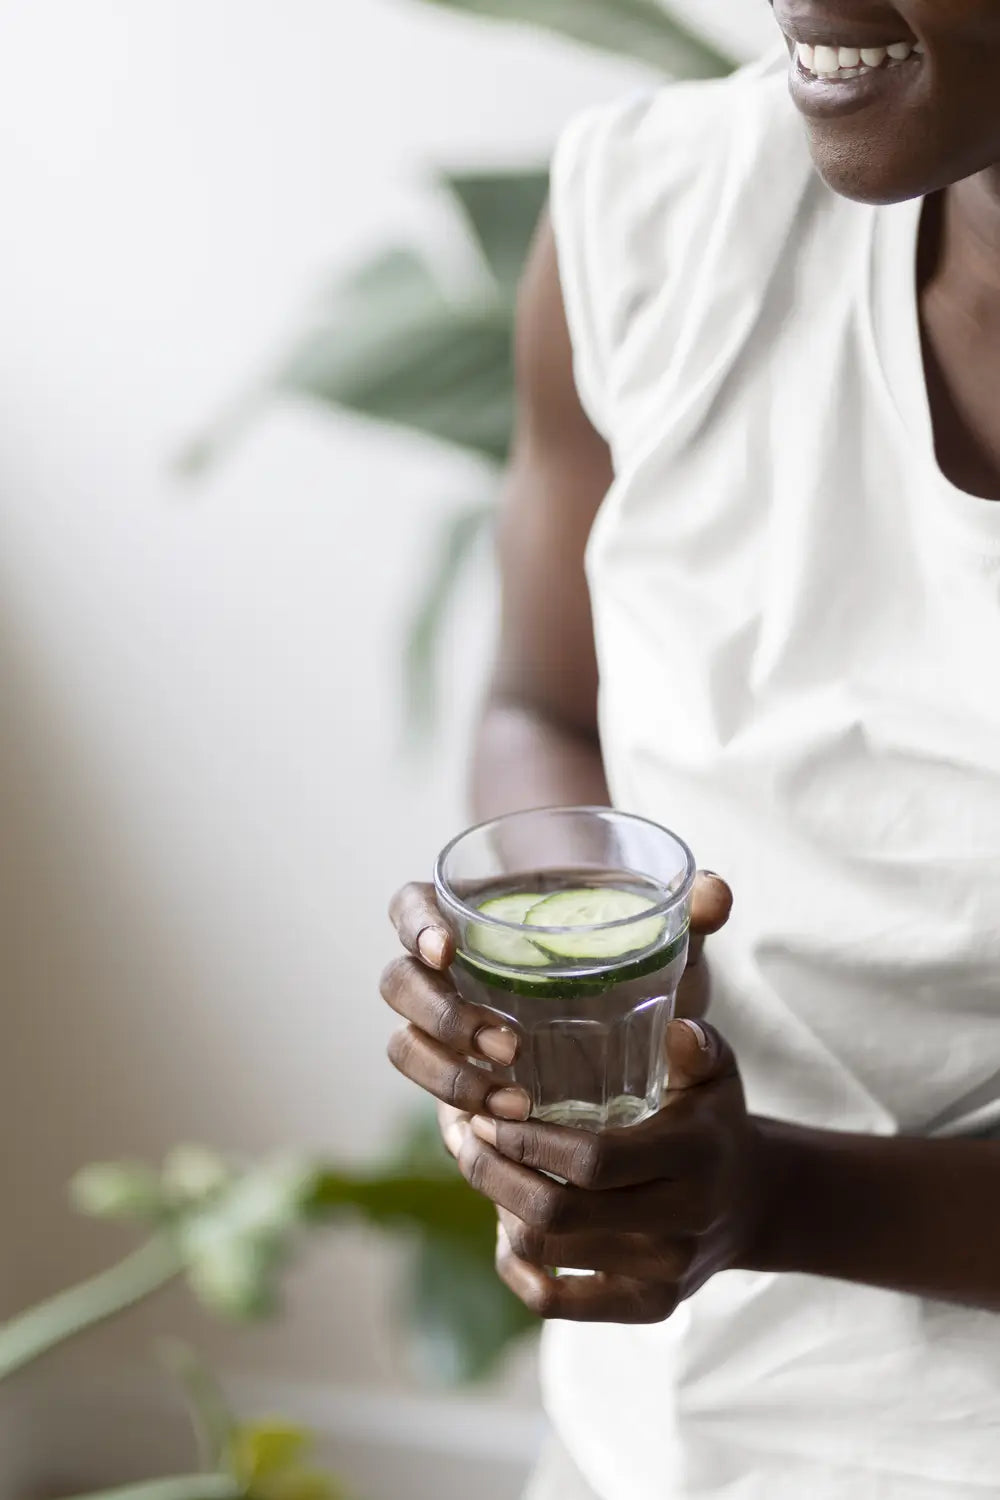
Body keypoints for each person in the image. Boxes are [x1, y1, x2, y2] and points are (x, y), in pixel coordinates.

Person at [380, 3, 1000, 1495]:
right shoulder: (655, 214)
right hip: (643, 1436)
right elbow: (544, 709)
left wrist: (768, 1202)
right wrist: (570, 956)